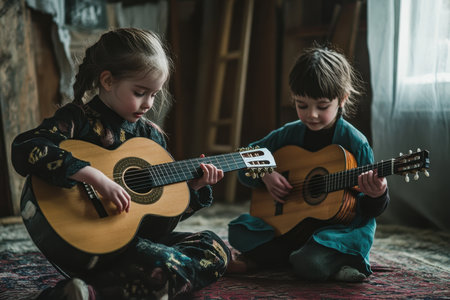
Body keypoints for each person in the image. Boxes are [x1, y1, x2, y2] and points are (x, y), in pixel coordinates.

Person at [12, 27, 229, 300]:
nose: (149, 103)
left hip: (135, 244)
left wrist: (193, 189)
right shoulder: (77, 119)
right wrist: (93, 176)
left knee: (214, 249)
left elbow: (157, 220)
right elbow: (27, 148)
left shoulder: (149, 135)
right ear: (107, 80)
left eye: (154, 94)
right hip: (90, 244)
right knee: (167, 263)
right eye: (140, 92)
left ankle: (90, 294)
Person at [227, 45, 389, 282]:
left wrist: (378, 194)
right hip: (290, 228)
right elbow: (246, 155)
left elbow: (366, 210)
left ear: (342, 99)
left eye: (322, 106)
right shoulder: (288, 134)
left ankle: (319, 260)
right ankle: (309, 261)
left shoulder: (356, 143)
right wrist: (266, 173)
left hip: (335, 233)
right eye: (302, 105)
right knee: (239, 231)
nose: (311, 114)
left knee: (309, 262)